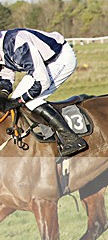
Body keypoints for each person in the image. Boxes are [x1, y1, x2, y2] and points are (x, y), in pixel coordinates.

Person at [0, 28, 87, 156]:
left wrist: (19, 101)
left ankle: (71, 138)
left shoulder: (17, 44)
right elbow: (6, 75)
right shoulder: (3, 47)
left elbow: (42, 81)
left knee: (31, 100)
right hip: (44, 63)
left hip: (60, 59)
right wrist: (3, 96)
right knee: (19, 96)